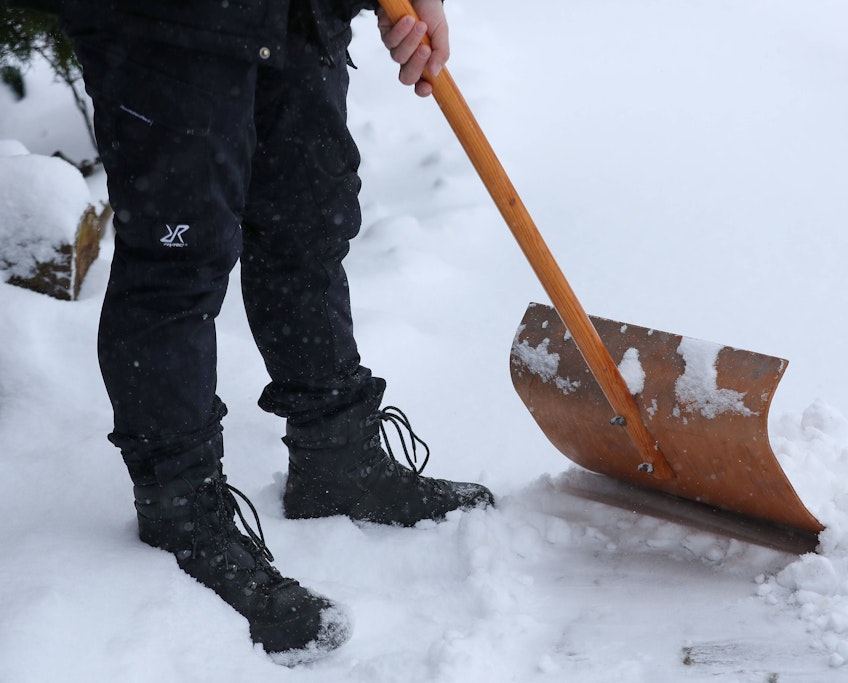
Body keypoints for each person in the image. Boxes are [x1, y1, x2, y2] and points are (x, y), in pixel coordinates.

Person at [12, 0, 494, 664]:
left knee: (308, 219)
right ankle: (181, 512)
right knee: (178, 256)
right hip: (166, 20)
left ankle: (336, 455)